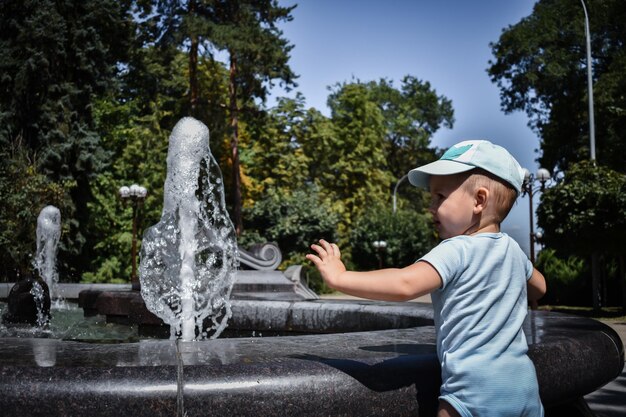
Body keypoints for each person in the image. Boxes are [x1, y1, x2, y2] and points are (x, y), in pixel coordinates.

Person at [307, 140, 547, 417]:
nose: (431, 206)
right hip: (525, 386)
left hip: (474, 391)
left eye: (440, 197)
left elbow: (403, 284)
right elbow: (540, 287)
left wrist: (340, 277)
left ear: (479, 201)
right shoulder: (513, 250)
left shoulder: (457, 249)